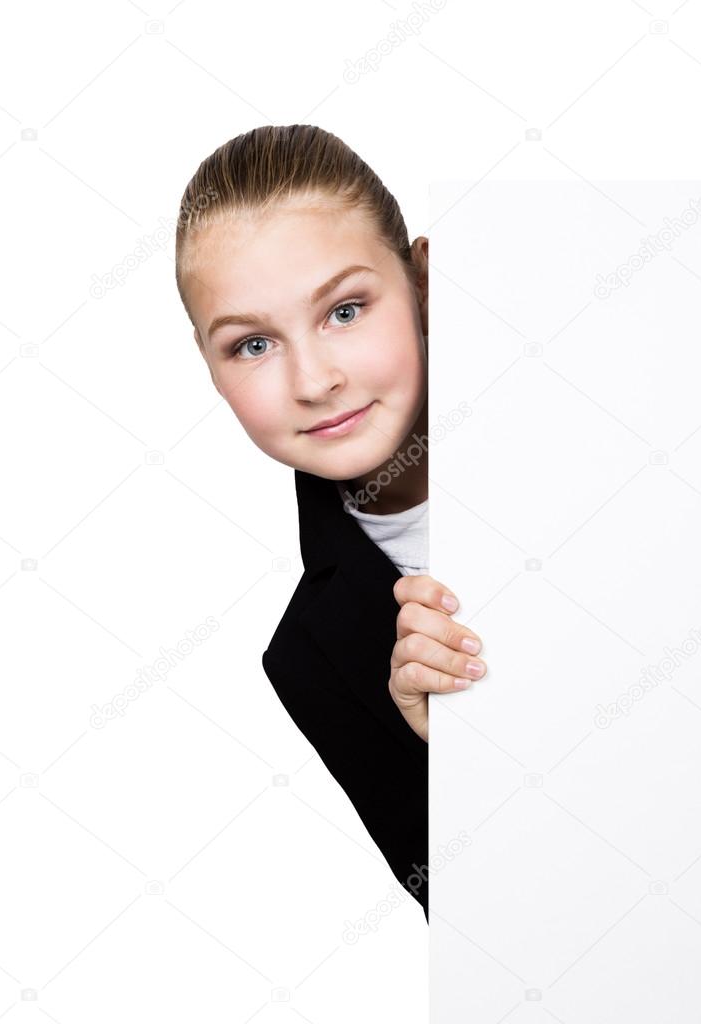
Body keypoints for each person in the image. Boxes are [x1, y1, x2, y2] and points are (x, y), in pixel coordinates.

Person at [174, 124, 487, 923]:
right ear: (210, 371)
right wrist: (461, 751)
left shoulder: (638, 420)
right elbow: (489, 937)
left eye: (344, 310)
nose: (313, 380)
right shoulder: (311, 661)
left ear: (423, 280)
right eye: (251, 345)